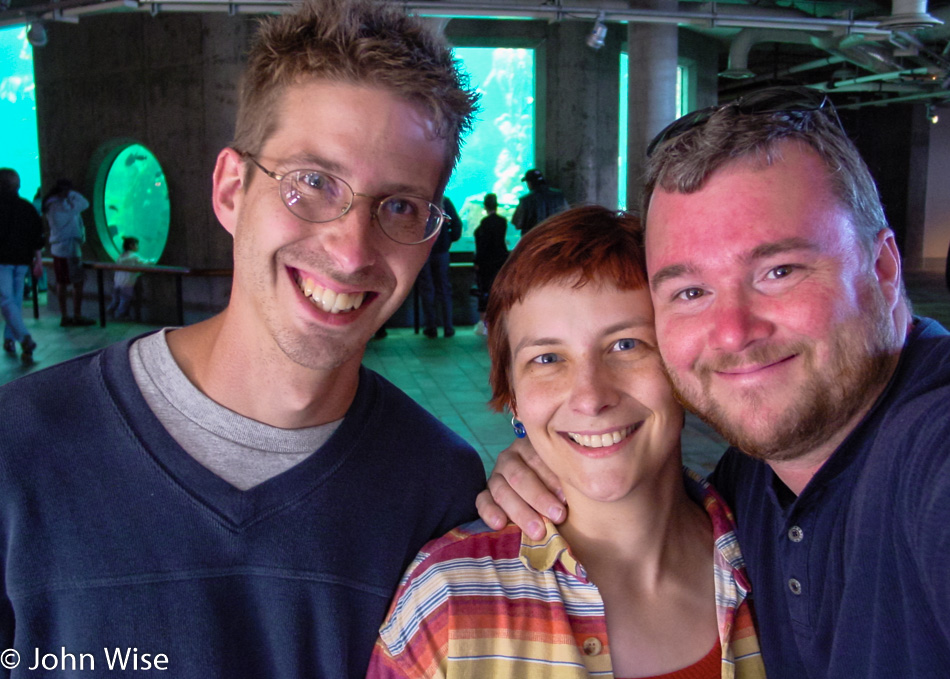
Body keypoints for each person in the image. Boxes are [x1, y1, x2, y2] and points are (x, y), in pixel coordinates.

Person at [0, 1, 485, 676]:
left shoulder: (438, 488)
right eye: (313, 182)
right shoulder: (20, 451)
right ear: (231, 189)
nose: (351, 252)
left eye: (399, 206)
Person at [478, 87, 950, 677]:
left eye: (779, 271)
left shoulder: (932, 455)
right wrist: (550, 459)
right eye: (691, 292)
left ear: (881, 269)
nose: (732, 333)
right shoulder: (748, 484)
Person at [368, 206, 764, 678]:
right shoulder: (447, 603)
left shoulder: (774, 560)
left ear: (681, 363)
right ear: (513, 397)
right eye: (548, 358)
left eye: (626, 345)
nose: (591, 397)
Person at [0, 168, 43, 361]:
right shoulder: (27, 207)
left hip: (2, 262)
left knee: (6, 300)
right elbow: (37, 236)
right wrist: (38, 260)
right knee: (14, 301)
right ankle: (10, 338)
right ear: (18, 185)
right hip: (23, 261)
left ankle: (24, 337)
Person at [43, 178, 95, 326]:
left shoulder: (53, 205)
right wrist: (71, 193)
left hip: (60, 250)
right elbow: (85, 203)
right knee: (76, 282)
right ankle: (76, 315)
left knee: (62, 283)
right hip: (69, 250)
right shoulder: (61, 206)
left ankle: (65, 315)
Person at [418, 196, 462, 338]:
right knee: (443, 288)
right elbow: (457, 224)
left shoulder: (420, 200)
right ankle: (448, 327)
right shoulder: (444, 201)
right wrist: (448, 240)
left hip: (423, 250)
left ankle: (431, 327)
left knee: (427, 288)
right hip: (442, 250)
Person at [472, 192, 507, 336]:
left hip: (486, 263)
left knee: (484, 291)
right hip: (500, 261)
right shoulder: (502, 221)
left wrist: (477, 261)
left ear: (485, 206)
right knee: (499, 291)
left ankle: (484, 324)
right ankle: (500, 323)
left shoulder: (485, 223)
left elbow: (482, 244)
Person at [511, 168, 568, 234]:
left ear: (530, 183)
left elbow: (517, 224)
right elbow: (567, 217)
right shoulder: (559, 196)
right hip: (555, 237)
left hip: (535, 240)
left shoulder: (525, 200)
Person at [107, 235, 145, 319]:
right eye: (136, 244)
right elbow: (143, 263)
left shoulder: (120, 256)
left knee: (116, 299)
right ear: (132, 246)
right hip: (128, 282)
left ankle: (110, 310)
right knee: (125, 299)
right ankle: (122, 314)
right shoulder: (134, 256)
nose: (138, 246)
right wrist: (151, 261)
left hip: (117, 282)